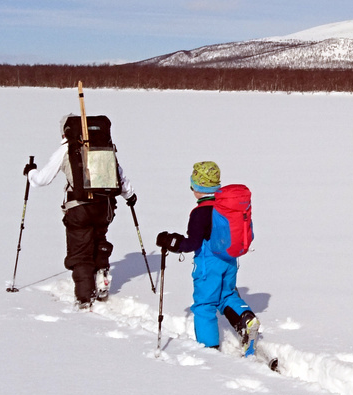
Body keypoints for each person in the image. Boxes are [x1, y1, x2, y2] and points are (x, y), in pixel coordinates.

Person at [29, 116, 137, 309]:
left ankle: (85, 299)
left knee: (81, 253)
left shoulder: (66, 149)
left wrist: (30, 173)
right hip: (105, 207)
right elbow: (120, 176)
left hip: (79, 208)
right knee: (98, 240)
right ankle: (102, 274)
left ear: (65, 132)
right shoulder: (103, 146)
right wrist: (130, 196)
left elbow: (41, 180)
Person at [155, 160, 260, 354]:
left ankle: (209, 350)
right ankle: (245, 318)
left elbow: (193, 243)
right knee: (226, 295)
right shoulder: (226, 208)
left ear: (196, 187)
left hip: (208, 265)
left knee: (205, 305)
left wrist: (171, 242)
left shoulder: (200, 213)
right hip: (229, 260)